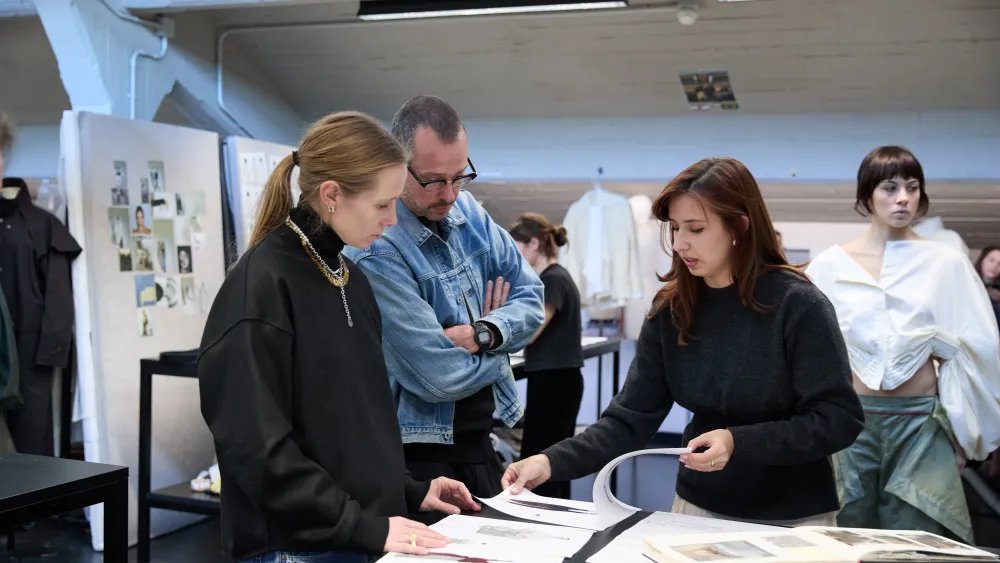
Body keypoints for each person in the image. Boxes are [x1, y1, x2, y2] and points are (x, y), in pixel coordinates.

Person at [503, 157, 864, 526]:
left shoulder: (799, 305)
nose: (679, 244)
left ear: (739, 225)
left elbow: (838, 418)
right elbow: (629, 419)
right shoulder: (670, 311)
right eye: (675, 229)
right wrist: (549, 461)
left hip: (795, 517)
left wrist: (737, 442)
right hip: (698, 509)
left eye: (695, 229)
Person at [198, 111, 480, 562]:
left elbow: (349, 429)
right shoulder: (262, 287)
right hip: (296, 548)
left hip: (353, 536)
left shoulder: (351, 279)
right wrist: (361, 525)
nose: (392, 220)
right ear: (331, 195)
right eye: (382, 204)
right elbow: (257, 452)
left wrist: (409, 490)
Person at [344, 96, 544, 501]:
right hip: (417, 458)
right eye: (434, 180)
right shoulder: (377, 248)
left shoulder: (469, 212)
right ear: (398, 166)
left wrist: (482, 334)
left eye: (459, 176)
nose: (450, 194)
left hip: (478, 440)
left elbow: (531, 299)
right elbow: (438, 378)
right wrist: (505, 346)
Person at [805, 146, 1000, 542]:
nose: (903, 198)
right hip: (851, 422)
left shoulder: (946, 262)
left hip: (921, 423)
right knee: (846, 530)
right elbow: (809, 350)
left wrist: (966, 430)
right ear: (866, 196)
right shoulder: (830, 265)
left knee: (917, 535)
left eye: (912, 188)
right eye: (890, 188)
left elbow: (981, 346)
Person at [508, 212, 583, 499]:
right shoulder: (554, 277)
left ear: (534, 244)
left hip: (556, 383)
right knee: (549, 457)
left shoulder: (552, 280)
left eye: (518, 247)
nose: (515, 255)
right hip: (555, 381)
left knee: (544, 459)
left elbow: (531, 331)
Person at [974, 245, 1000, 326]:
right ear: (982, 260)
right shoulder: (968, 284)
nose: (994, 266)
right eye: (991, 260)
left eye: (999, 264)